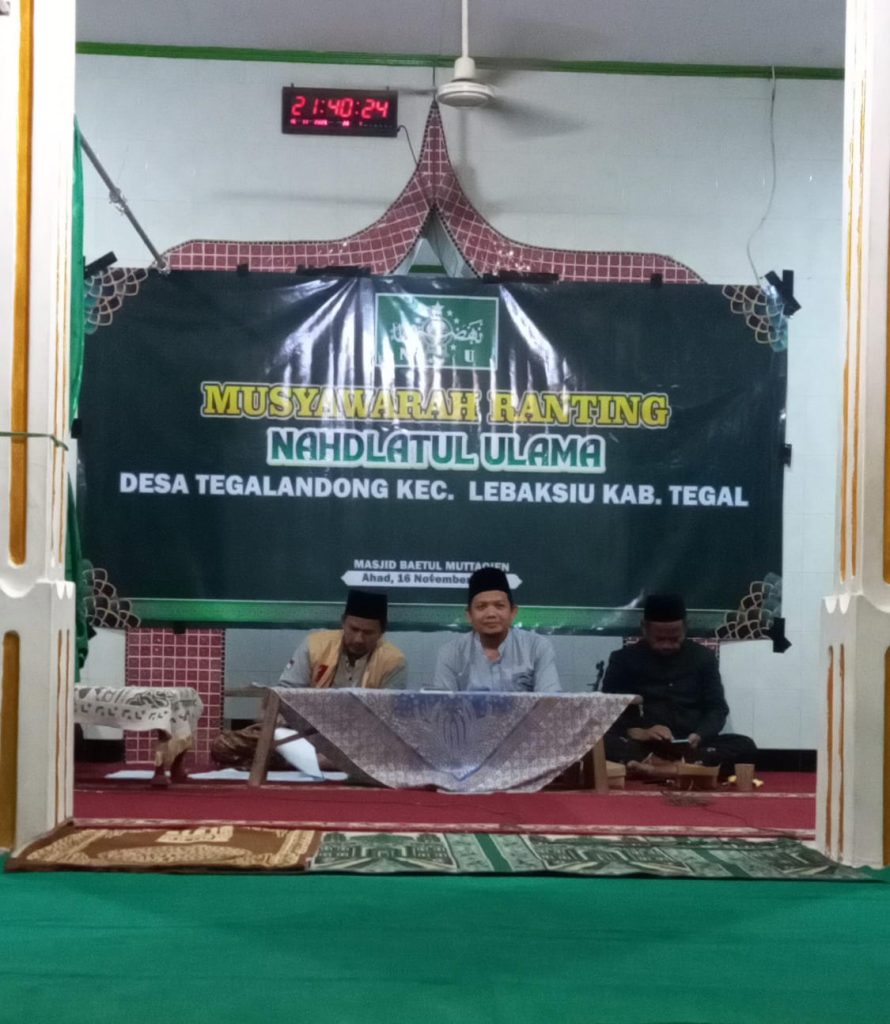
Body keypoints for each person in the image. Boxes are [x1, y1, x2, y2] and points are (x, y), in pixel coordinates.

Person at [601, 593, 756, 778]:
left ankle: (664, 768)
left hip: (691, 745)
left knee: (745, 746)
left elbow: (717, 709)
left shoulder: (703, 658)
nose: (667, 645)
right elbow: (607, 710)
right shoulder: (623, 660)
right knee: (599, 743)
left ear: (686, 627)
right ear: (644, 628)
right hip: (643, 745)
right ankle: (682, 768)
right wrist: (641, 732)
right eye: (659, 639)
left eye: (674, 639)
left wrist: (699, 734)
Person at [432, 566, 560, 692]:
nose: (491, 614)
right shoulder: (451, 653)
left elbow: (550, 700)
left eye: (499, 606)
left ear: (513, 612)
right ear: (469, 615)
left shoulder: (536, 647)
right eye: (481, 607)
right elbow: (442, 703)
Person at [279, 589, 406, 690]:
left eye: (368, 633)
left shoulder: (393, 660)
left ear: (382, 632)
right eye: (354, 629)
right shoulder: (314, 646)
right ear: (343, 623)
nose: (359, 639)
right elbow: (287, 691)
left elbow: (390, 708)